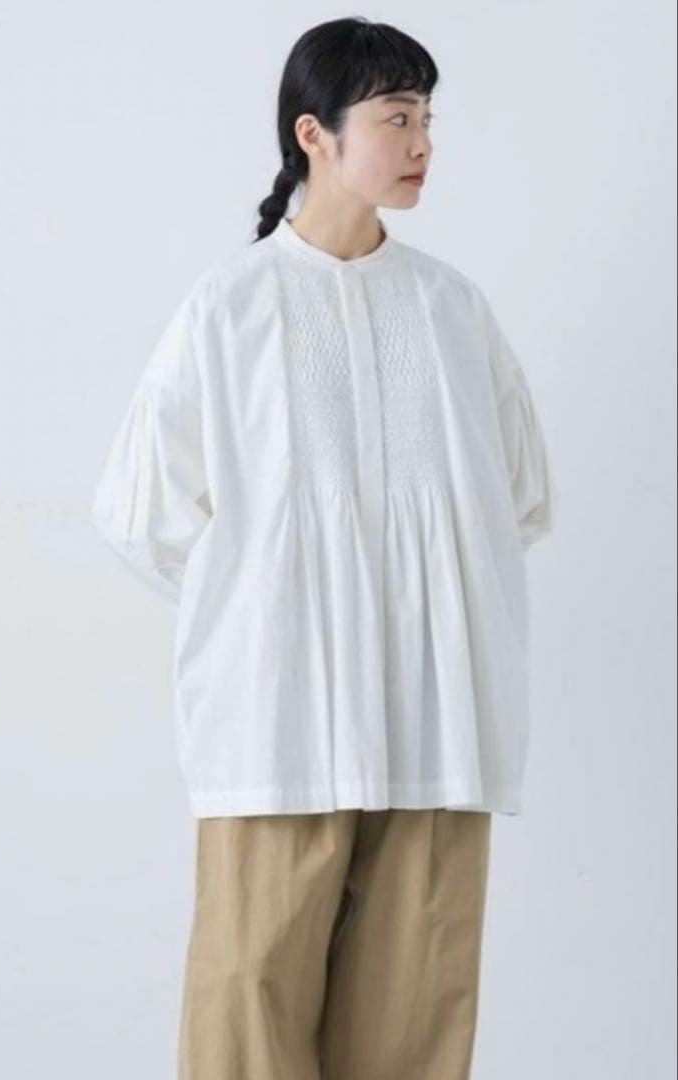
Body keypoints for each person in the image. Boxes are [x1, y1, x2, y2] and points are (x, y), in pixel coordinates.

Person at [91, 16, 557, 1080]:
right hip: (279, 724)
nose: (421, 143)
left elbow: (521, 496)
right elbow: (139, 509)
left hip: (439, 721)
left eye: (427, 118)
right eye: (396, 118)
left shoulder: (451, 310)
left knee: (414, 1019)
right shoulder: (232, 307)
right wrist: (264, 608)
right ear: (315, 133)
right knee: (246, 1000)